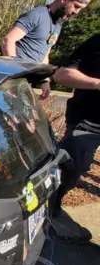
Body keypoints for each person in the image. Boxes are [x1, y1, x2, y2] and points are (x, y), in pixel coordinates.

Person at [52, 34, 100, 232]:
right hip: (87, 121)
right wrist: (98, 84)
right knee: (71, 167)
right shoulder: (96, 43)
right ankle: (50, 210)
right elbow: (62, 75)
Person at [1, 0, 90, 99]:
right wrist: (14, 76)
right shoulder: (37, 15)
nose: (76, 12)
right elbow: (8, 40)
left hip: (25, 82)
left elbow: (45, 53)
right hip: (9, 81)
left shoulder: (57, 25)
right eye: (76, 6)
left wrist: (45, 81)